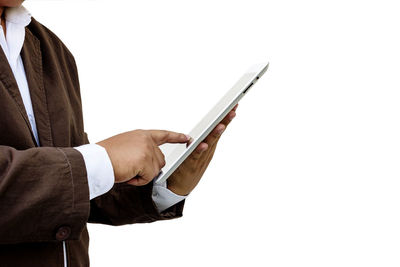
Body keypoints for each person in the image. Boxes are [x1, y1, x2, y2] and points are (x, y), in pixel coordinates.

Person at [0, 1, 237, 266]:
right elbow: (83, 168)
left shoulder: (47, 47)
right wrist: (103, 160)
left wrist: (165, 186)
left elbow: (70, 187)